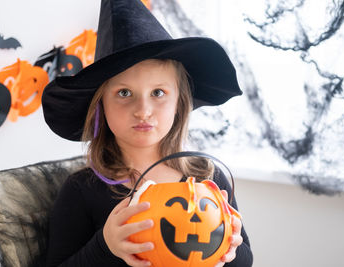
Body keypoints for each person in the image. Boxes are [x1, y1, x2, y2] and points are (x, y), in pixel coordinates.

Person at [42, 0, 253, 266]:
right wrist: (105, 246)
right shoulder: (82, 191)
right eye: (124, 93)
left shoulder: (208, 178)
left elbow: (244, 261)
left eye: (158, 93)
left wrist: (231, 243)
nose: (143, 110)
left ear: (179, 102)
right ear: (101, 105)